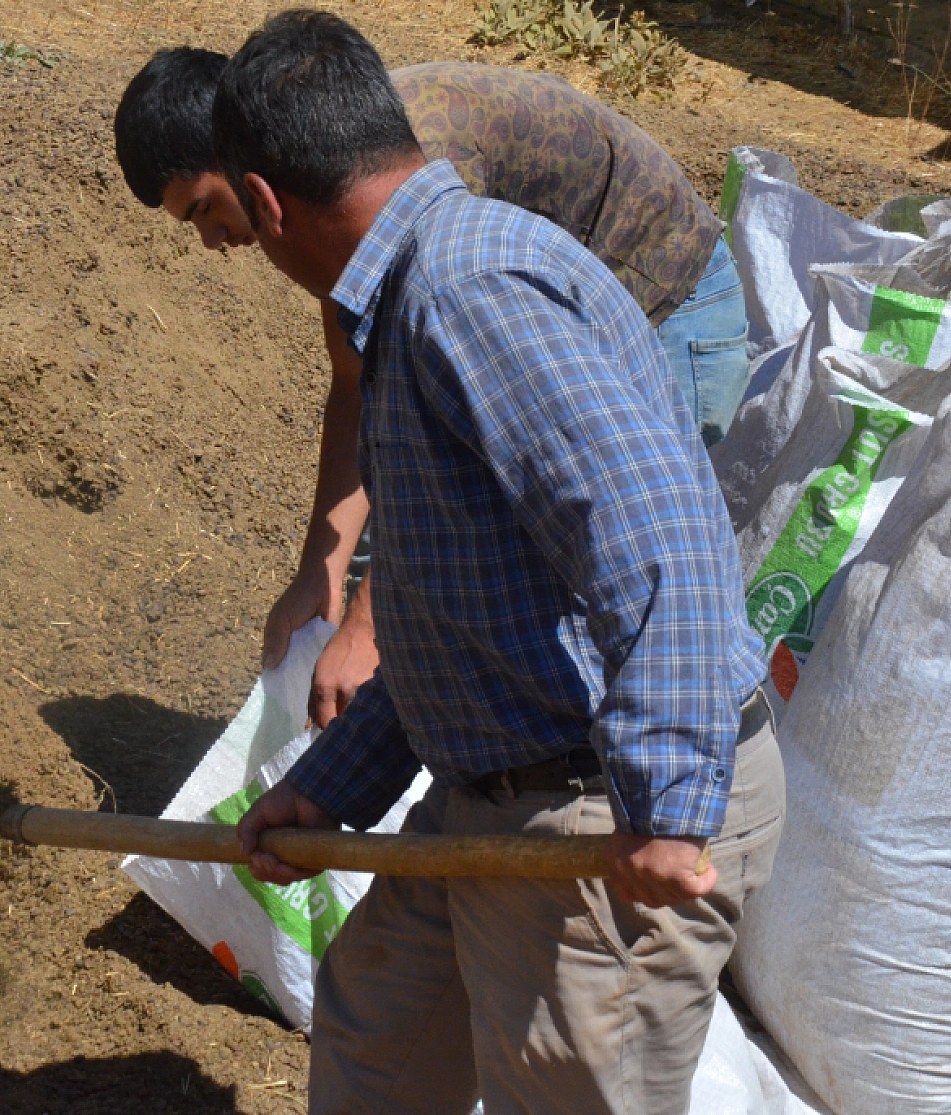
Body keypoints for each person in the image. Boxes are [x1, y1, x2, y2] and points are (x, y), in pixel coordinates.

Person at [212, 12, 783, 1114]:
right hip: (498, 787)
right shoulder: (416, 293)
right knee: (378, 1034)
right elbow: (453, 618)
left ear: (269, 202)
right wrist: (327, 790)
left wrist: (663, 799)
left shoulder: (467, 291)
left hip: (595, 807)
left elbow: (654, 530)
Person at [114, 48, 752, 728]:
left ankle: (645, 792)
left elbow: (471, 443)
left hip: (664, 298)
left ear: (241, 164)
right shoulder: (320, 190)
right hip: (560, 307)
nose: (211, 239)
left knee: (605, 588)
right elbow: (356, 384)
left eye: (205, 208)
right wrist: (322, 574)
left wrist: (373, 621)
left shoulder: (398, 173)